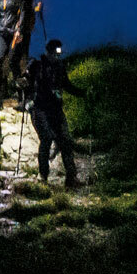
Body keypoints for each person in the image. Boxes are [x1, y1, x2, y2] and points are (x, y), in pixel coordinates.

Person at [24, 38, 84, 187]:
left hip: (56, 109)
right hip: (40, 108)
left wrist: (83, 93)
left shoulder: (60, 67)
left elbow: (67, 85)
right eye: (55, 54)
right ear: (48, 52)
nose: (57, 57)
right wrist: (26, 97)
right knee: (47, 138)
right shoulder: (37, 65)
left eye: (59, 54)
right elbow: (27, 83)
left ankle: (71, 178)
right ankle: (43, 176)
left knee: (66, 140)